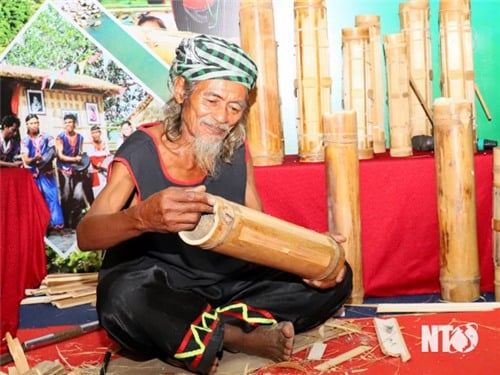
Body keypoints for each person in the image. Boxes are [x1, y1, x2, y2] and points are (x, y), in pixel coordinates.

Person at [77, 35, 352, 375]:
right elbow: (86, 235)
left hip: (224, 281)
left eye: (235, 107)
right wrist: (142, 218)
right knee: (122, 302)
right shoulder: (141, 151)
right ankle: (238, 336)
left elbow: (260, 229)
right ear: (182, 91)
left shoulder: (235, 149)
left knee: (336, 276)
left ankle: (204, 332)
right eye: (212, 100)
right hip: (160, 286)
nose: (222, 117)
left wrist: (308, 252)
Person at [21, 114, 64, 232]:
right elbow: (26, 160)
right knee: (36, 200)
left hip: (47, 173)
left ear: (38, 123)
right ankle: (41, 227)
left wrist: (45, 159)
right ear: (27, 125)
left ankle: (57, 226)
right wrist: (35, 158)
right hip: (33, 174)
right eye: (31, 123)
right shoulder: (24, 141)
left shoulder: (47, 137)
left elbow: (53, 152)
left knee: (53, 198)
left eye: (36, 123)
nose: (34, 126)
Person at [55, 114, 93, 230]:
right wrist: (74, 159)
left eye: (70, 122)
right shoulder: (60, 138)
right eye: (66, 122)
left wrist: (84, 161)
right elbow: (60, 156)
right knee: (66, 195)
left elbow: (80, 153)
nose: (68, 124)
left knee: (78, 195)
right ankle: (66, 222)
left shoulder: (80, 137)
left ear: (74, 124)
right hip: (64, 169)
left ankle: (75, 223)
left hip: (77, 170)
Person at [85, 125, 111, 197]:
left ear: (100, 133)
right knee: (98, 194)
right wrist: (106, 167)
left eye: (97, 132)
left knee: (108, 192)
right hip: (96, 174)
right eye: (93, 133)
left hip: (105, 173)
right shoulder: (90, 146)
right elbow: (94, 161)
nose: (95, 135)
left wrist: (108, 167)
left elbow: (108, 158)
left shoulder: (104, 144)